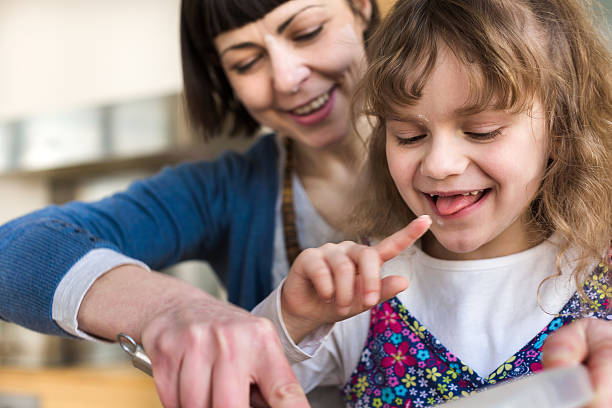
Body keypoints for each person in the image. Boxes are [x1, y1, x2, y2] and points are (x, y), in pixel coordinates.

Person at [0, 0, 380, 406]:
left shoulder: (448, 158)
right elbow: (13, 252)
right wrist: (169, 308)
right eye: (247, 62)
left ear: (360, 7)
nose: (287, 78)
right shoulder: (222, 190)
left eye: (307, 32)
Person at [252, 0, 612, 406]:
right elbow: (231, 385)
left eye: (482, 131)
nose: (439, 165)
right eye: (408, 135)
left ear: (561, 130)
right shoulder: (361, 295)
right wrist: (293, 319)